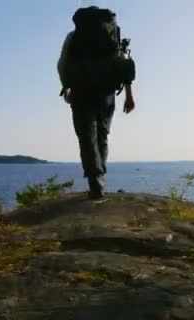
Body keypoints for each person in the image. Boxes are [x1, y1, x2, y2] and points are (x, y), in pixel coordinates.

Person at [57, 6, 135, 200]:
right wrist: (129, 96)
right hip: (107, 93)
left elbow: (62, 63)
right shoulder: (112, 38)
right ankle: (100, 177)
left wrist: (66, 86)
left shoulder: (74, 37)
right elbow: (125, 64)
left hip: (81, 91)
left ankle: (95, 181)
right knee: (102, 134)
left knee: (86, 136)